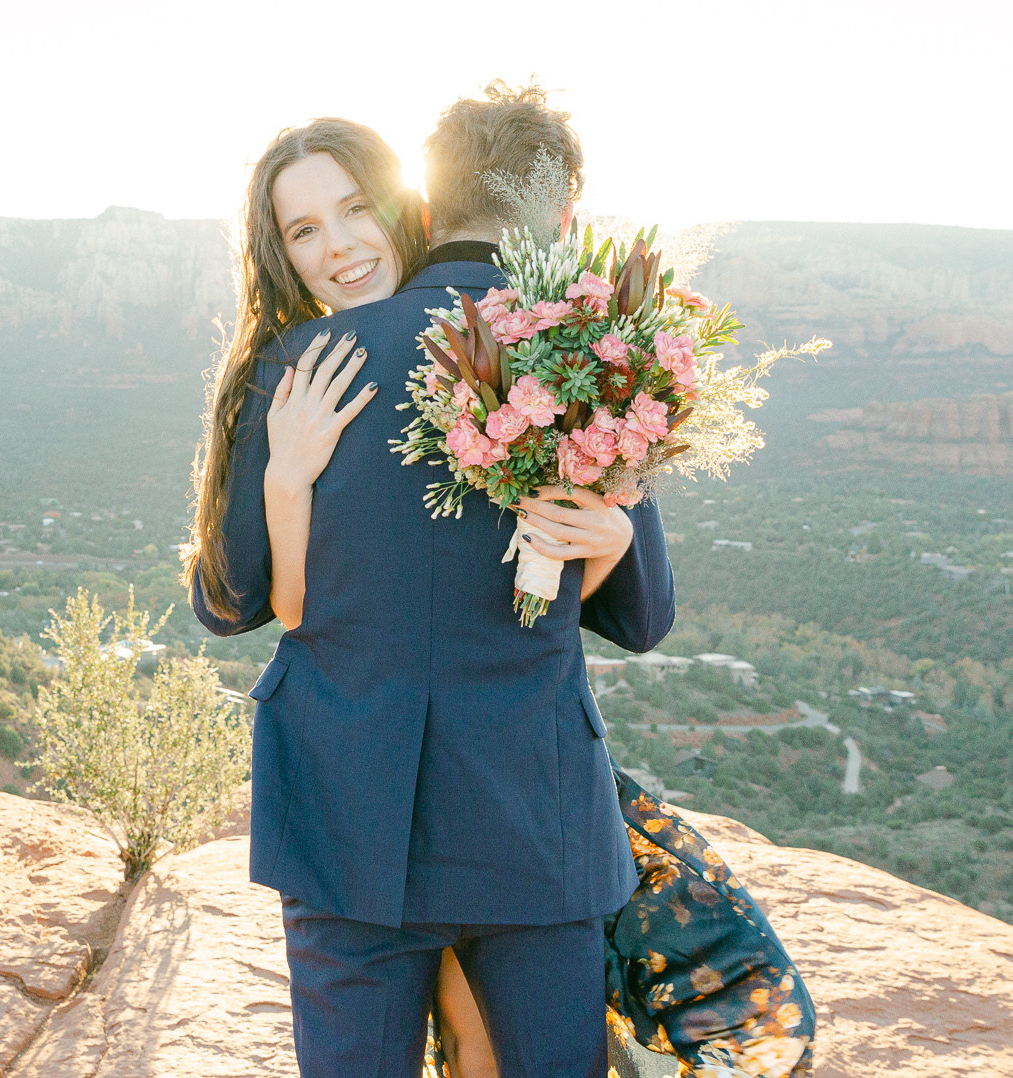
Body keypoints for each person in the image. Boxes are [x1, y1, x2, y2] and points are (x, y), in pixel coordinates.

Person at [188, 90, 673, 1078]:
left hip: (341, 819)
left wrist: (287, 471)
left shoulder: (297, 369)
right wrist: (614, 532)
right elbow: (643, 619)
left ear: (416, 203)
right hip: (531, 821)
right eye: (307, 227)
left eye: (351, 209)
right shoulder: (581, 359)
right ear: (561, 222)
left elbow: (228, 598)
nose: (338, 244)